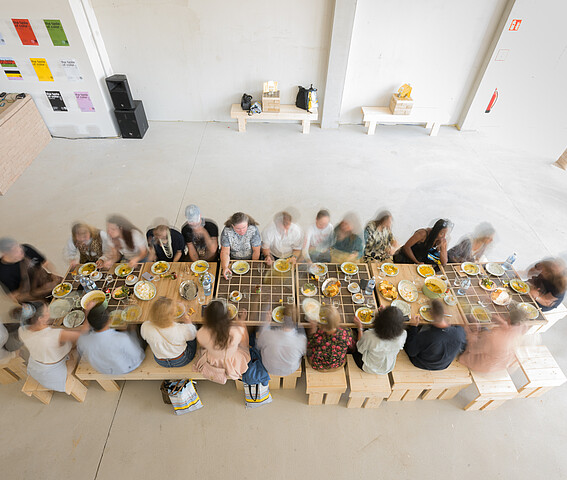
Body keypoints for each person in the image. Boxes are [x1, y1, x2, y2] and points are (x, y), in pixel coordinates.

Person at [17, 301, 86, 391]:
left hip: (36, 367)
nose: (49, 312)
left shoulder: (22, 330)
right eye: (47, 312)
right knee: (79, 345)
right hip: (53, 373)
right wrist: (88, 311)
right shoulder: (53, 335)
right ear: (40, 319)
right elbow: (82, 335)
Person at [77, 304, 145, 375]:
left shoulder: (83, 339)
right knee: (138, 328)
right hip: (124, 369)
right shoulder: (122, 338)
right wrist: (132, 331)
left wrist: (87, 312)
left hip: (103, 369)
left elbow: (84, 332)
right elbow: (138, 355)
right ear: (109, 320)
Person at [459, 306, 527, 373]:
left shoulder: (494, 337)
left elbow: (472, 348)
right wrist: (502, 323)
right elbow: (509, 330)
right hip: (498, 365)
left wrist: (473, 330)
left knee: (460, 332)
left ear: (509, 319)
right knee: (484, 330)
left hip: (481, 364)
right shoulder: (519, 332)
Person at [404, 299, 466, 371]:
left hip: (423, 363)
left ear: (430, 314)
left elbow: (411, 352)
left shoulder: (426, 336)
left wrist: (413, 327)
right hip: (444, 365)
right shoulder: (459, 331)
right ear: (445, 313)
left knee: (407, 333)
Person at [195, 299, 250, 380]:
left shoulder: (201, 333)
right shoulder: (236, 331)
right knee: (246, 349)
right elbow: (245, 344)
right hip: (232, 361)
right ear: (226, 316)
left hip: (213, 359)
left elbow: (203, 346)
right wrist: (241, 323)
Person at [0, 238, 62, 303]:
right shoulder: (3, 273)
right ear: (5, 254)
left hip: (47, 280)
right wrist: (39, 304)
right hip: (34, 296)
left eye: (19, 247)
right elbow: (14, 296)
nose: (21, 251)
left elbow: (45, 262)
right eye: (15, 250)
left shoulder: (26, 248)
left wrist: (54, 273)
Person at [141, 297, 197, 367]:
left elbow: (144, 335)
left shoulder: (145, 326)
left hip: (160, 361)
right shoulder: (181, 329)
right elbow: (193, 334)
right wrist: (187, 320)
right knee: (193, 332)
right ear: (171, 316)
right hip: (181, 360)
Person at [352, 306, 407, 375]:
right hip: (387, 367)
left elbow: (359, 348)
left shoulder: (370, 335)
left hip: (368, 367)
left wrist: (360, 328)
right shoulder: (403, 334)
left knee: (354, 337)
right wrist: (386, 314)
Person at [256, 304, 306, 376]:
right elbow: (304, 353)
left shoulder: (269, 335)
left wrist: (267, 323)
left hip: (269, 367)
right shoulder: (302, 340)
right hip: (290, 369)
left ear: (281, 319)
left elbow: (259, 345)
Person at [306, 306, 354, 371]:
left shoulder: (318, 337)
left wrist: (313, 328)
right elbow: (351, 345)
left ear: (320, 325)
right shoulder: (347, 332)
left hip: (319, 365)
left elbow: (309, 345)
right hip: (337, 363)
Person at [220, 212, 261, 279]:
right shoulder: (227, 231)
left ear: (247, 224)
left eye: (244, 227)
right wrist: (225, 267)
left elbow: (256, 251)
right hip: (233, 260)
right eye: (238, 229)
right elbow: (225, 252)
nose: (242, 231)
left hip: (250, 259)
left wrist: (253, 266)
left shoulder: (253, 230)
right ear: (232, 226)